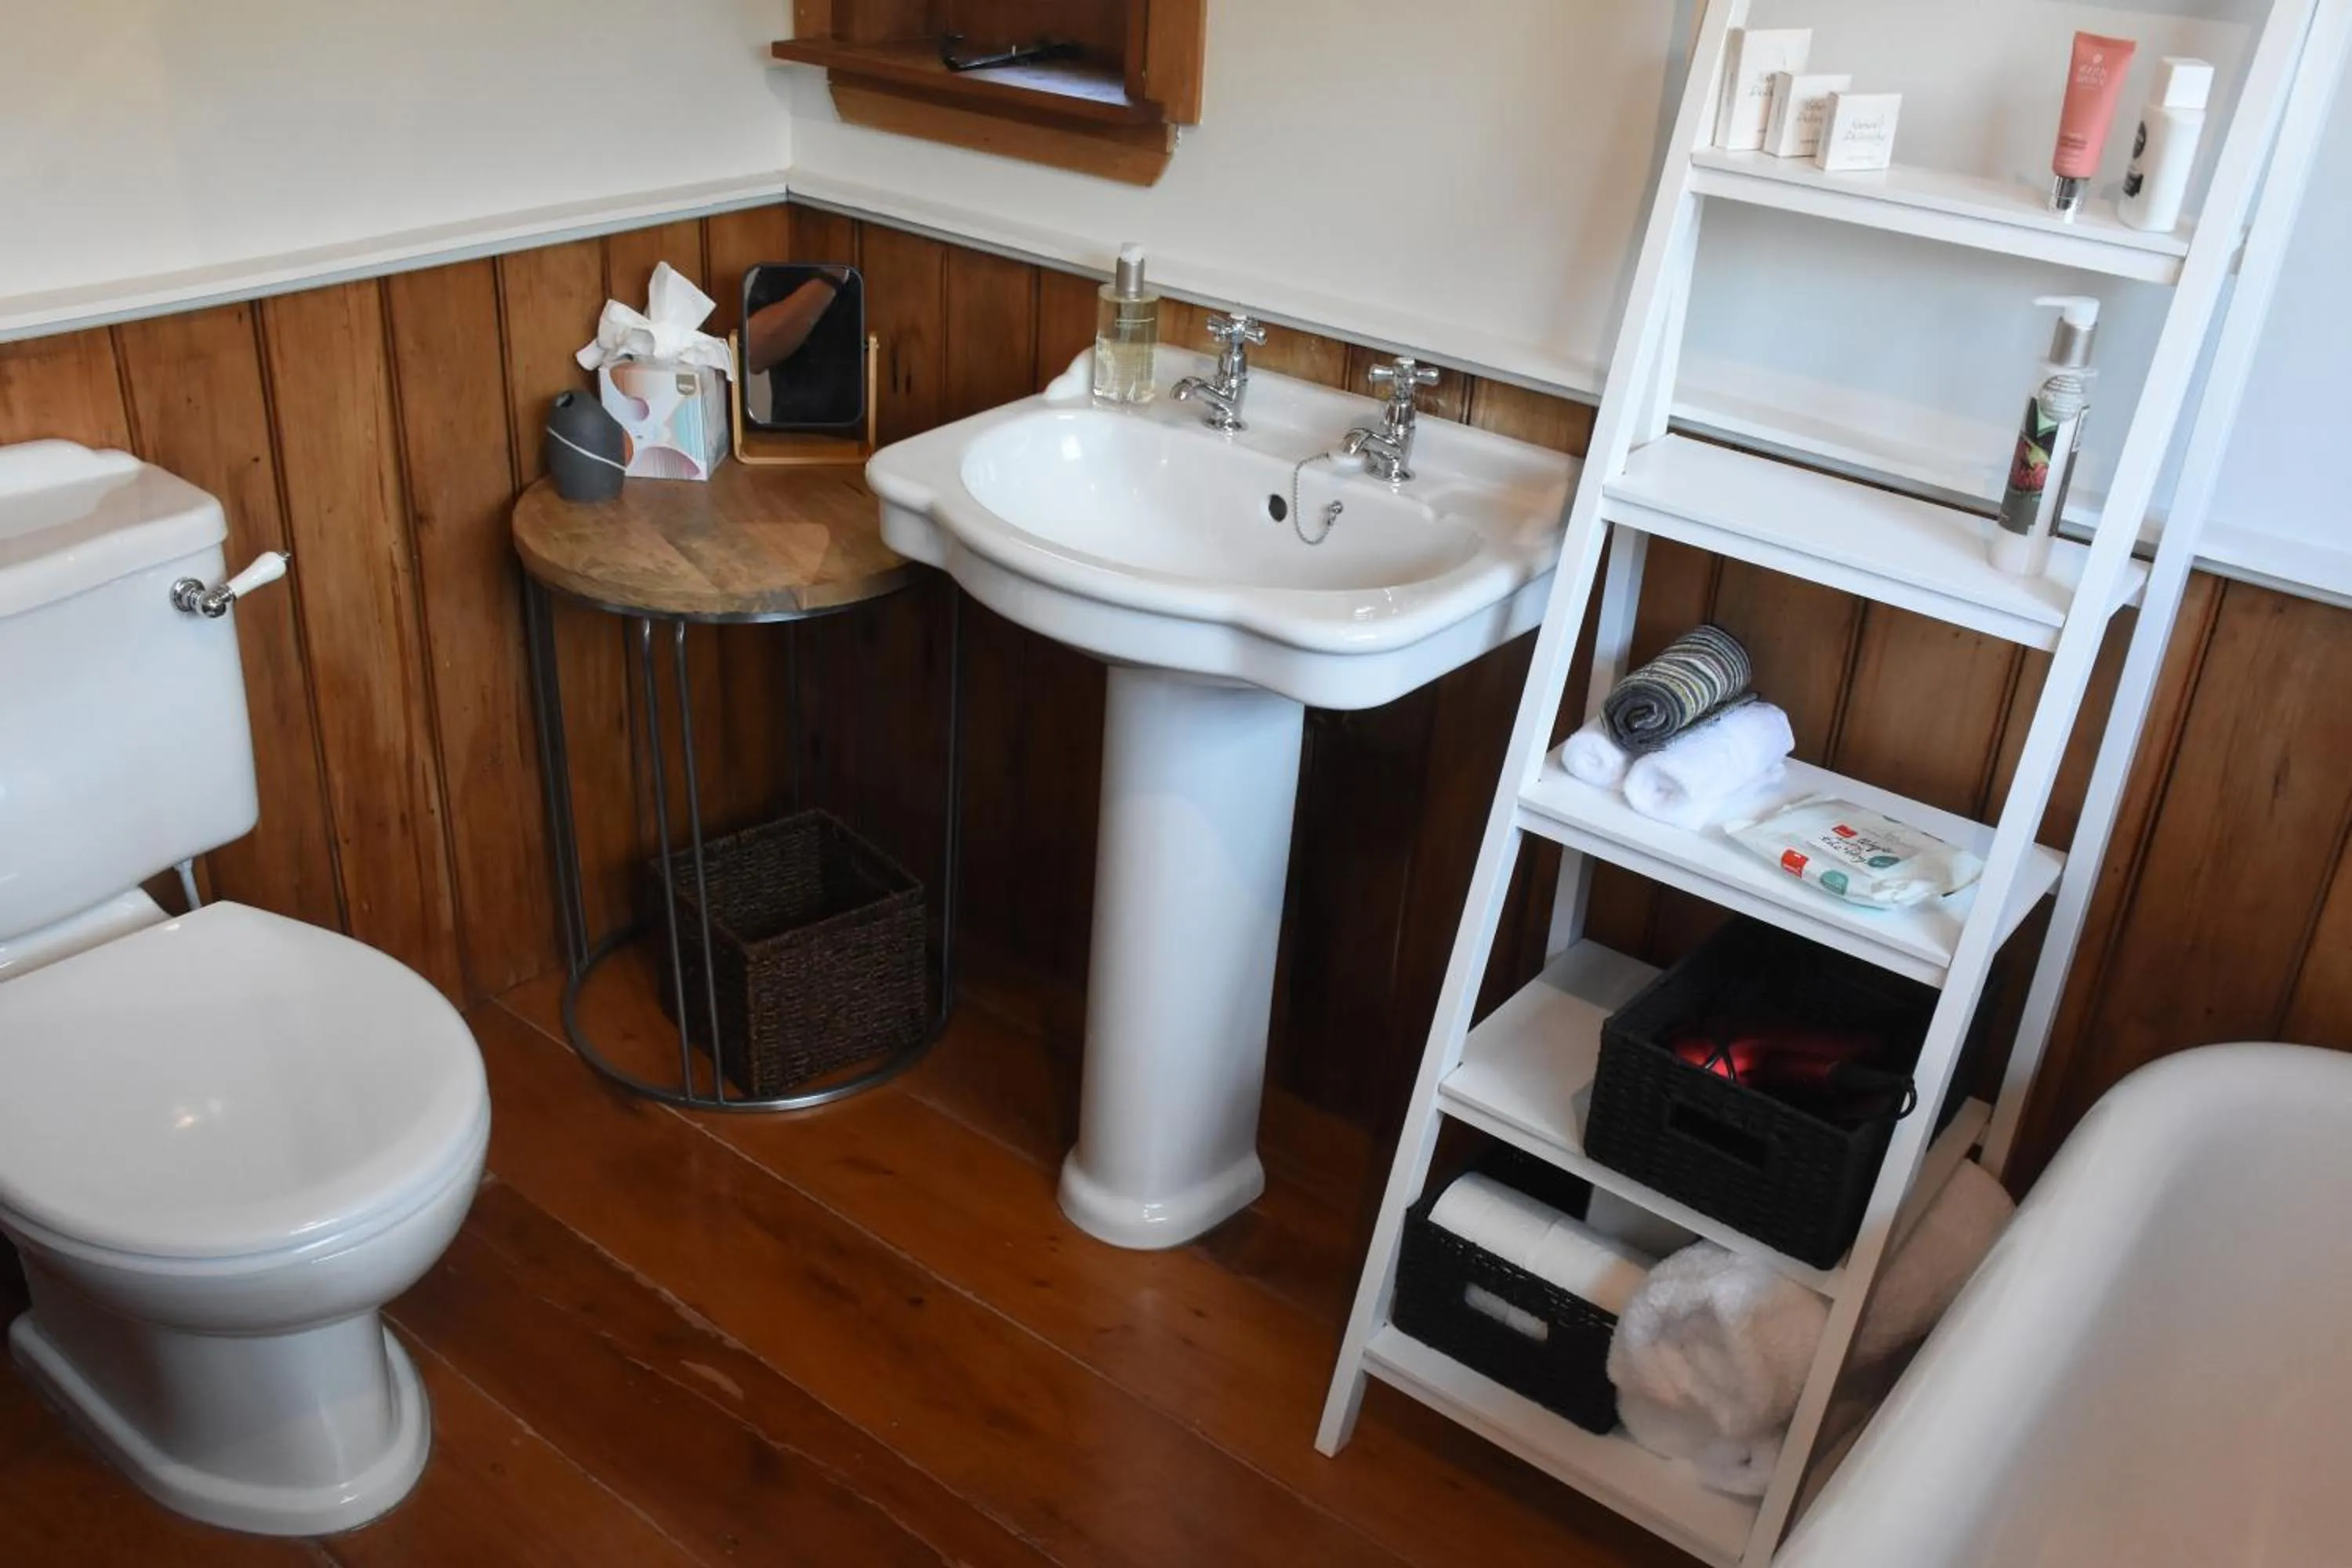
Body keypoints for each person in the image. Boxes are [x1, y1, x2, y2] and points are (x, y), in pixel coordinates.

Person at [742, 266, 858, 427]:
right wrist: (831, 278)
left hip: (894, 439)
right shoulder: (786, 260)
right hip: (800, 439)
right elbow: (753, 354)